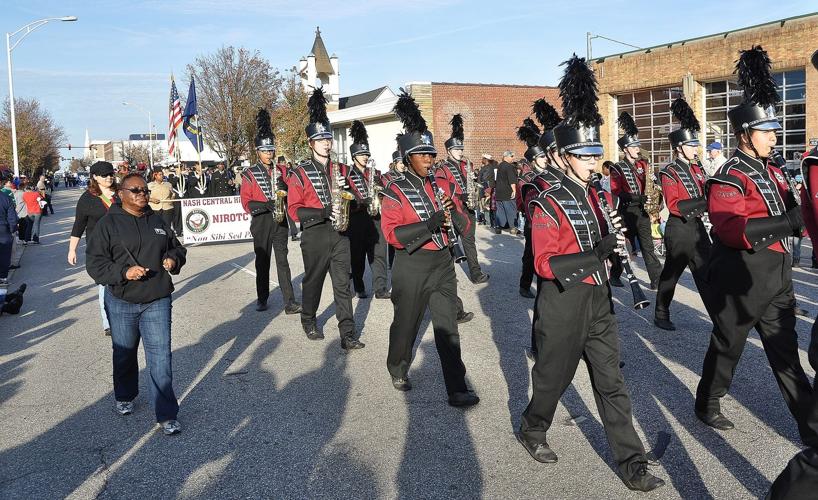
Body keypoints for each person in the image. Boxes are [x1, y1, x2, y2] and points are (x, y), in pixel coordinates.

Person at [518, 55, 664, 492]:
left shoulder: (598, 196)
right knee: (552, 381)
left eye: (596, 153)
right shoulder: (548, 202)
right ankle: (532, 426)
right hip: (562, 304)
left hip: (598, 301)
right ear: (563, 157)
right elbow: (545, 264)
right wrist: (597, 251)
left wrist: (616, 254)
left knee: (611, 382)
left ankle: (631, 462)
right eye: (584, 155)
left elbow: (605, 246)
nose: (592, 161)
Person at [695, 46, 818, 444]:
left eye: (775, 129)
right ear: (744, 135)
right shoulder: (729, 174)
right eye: (766, 131)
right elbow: (731, 228)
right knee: (728, 345)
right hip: (741, 277)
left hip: (777, 276)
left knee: (786, 356)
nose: (774, 136)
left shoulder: (773, 171)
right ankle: (708, 400)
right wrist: (790, 219)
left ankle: (812, 430)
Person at [381, 90, 479, 406]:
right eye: (422, 154)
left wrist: (456, 211)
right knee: (407, 324)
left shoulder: (442, 184)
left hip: (441, 263)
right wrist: (430, 224)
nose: (429, 159)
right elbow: (393, 235)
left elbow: (463, 227)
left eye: (432, 154)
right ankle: (397, 366)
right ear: (408, 157)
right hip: (411, 266)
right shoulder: (395, 191)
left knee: (447, 326)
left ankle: (456, 386)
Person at [86, 172, 187, 436]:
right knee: (125, 353)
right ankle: (125, 395)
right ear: (121, 193)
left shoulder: (157, 219)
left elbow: (176, 247)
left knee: (160, 356)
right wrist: (123, 272)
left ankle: (167, 414)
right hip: (122, 299)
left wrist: (173, 260)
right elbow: (95, 264)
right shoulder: (108, 225)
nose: (143, 194)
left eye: (144, 190)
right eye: (136, 190)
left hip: (157, 298)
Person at [287, 88, 364, 350]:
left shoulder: (342, 168)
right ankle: (308, 319)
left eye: (328, 138)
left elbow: (356, 198)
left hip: (340, 234)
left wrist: (349, 194)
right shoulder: (299, 172)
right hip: (315, 234)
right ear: (311, 143)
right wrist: (323, 211)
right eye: (321, 139)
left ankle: (348, 334)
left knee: (343, 285)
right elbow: (294, 210)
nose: (327, 143)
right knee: (314, 281)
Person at [651, 101, 713, 331]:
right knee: (671, 274)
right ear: (678, 147)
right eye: (691, 144)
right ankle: (661, 313)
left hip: (697, 228)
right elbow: (675, 205)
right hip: (679, 229)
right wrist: (705, 202)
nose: (695, 148)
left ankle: (718, 316)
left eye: (695, 144)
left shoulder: (698, 169)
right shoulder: (669, 171)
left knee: (708, 271)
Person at [240, 109, 302, 315]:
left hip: (280, 220)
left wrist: (286, 186)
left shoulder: (282, 170)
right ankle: (262, 297)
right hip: (261, 221)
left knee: (283, 262)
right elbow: (246, 202)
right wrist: (263, 204)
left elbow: (294, 190)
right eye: (265, 151)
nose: (269, 154)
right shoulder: (249, 174)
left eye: (272, 150)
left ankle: (289, 301)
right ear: (258, 151)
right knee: (262, 261)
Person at [609, 114, 663, 289]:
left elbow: (652, 182)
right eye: (634, 146)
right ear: (626, 149)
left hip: (643, 211)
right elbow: (617, 192)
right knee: (623, 245)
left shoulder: (643, 165)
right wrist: (638, 197)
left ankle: (656, 279)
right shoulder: (617, 167)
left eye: (637, 145)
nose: (637, 148)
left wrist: (657, 189)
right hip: (626, 211)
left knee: (648, 247)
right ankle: (615, 275)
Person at [518, 98, 564, 300]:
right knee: (530, 256)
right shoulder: (532, 180)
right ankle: (525, 285)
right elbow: (527, 207)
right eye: (542, 157)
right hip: (535, 223)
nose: (545, 160)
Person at [435, 114, 490, 284]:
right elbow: (440, 188)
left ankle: (475, 273)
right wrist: (459, 195)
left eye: (461, 149)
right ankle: (447, 276)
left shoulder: (468, 165)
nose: (460, 152)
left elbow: (472, 183)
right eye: (457, 149)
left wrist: (476, 190)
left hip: (469, 208)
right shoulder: (443, 168)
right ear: (449, 151)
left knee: (469, 242)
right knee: (450, 243)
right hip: (453, 209)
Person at [69, 161, 118, 336]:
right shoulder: (87, 198)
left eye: (111, 174)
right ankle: (109, 323)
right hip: (99, 249)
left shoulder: (121, 194)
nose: (109, 177)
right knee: (105, 284)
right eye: (104, 175)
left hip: (123, 247)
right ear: (95, 177)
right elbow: (79, 226)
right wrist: (72, 249)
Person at [342, 120, 390, 299]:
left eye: (366, 153)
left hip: (376, 218)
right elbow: (347, 197)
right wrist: (363, 201)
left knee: (379, 254)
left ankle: (380, 288)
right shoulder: (347, 174)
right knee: (358, 256)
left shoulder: (375, 173)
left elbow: (384, 191)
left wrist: (380, 191)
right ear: (354, 156)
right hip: (357, 219)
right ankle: (359, 285)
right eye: (361, 154)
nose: (365, 156)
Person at [493, 151, 519, 234]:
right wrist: (514, 190)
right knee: (511, 209)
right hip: (507, 191)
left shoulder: (499, 166)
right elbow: (512, 180)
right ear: (506, 157)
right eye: (511, 156)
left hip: (499, 191)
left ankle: (498, 227)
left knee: (500, 211)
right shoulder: (509, 167)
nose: (513, 158)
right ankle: (513, 228)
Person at [0, 177, 18, 286]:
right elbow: (12, 218)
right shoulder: (6, 198)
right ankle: (2, 278)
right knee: (4, 256)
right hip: (3, 230)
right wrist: (12, 230)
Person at [147, 167, 176, 232]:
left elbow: (173, 194)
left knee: (167, 226)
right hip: (155, 208)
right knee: (156, 226)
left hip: (167, 208)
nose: (162, 176)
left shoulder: (168, 184)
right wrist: (151, 200)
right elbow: (145, 196)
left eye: (162, 174)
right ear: (155, 176)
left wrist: (171, 200)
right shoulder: (149, 185)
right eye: (160, 174)